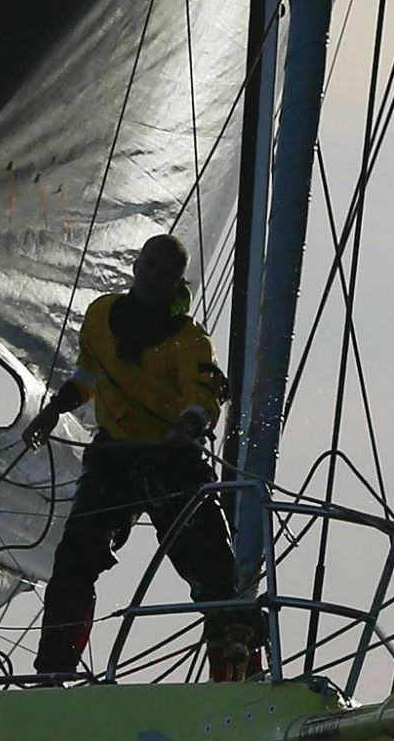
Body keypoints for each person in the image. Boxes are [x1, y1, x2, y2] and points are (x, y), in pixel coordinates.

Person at [19, 233, 264, 683]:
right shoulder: (100, 316)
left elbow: (204, 397)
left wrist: (188, 424)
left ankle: (240, 678)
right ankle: (52, 673)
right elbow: (86, 375)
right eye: (149, 265)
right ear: (136, 266)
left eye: (166, 272)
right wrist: (53, 411)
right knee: (75, 557)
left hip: (173, 460)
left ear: (177, 283)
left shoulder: (190, 340)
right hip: (114, 455)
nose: (154, 277)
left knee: (214, 568)